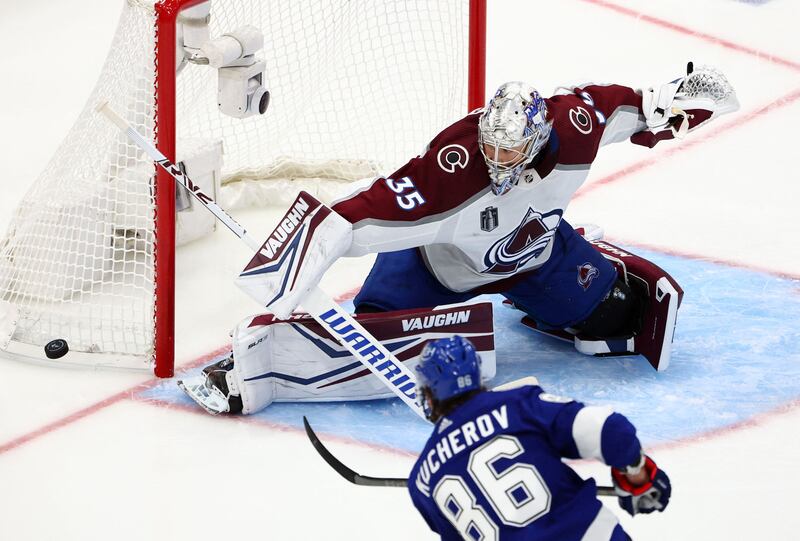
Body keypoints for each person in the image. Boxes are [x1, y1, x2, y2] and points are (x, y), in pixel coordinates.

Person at [181, 64, 738, 415]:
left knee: (617, 316)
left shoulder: (575, 127)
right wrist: (298, 256)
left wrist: (681, 98)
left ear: (540, 138)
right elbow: (357, 212)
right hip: (433, 267)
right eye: (490, 148)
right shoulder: (451, 171)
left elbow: (637, 106)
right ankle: (246, 373)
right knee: (376, 341)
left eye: (510, 152)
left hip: (534, 255)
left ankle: (557, 292)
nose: (496, 162)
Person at [409, 335, 671, 541]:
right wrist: (636, 473)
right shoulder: (518, 405)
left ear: (430, 395)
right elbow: (610, 430)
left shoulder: (421, 480)